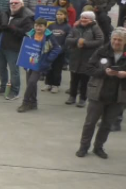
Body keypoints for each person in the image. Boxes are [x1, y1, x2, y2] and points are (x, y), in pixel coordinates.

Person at [76, 27, 126, 157]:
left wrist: (124, 74)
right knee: (90, 123)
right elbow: (89, 68)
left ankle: (98, 147)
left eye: (120, 40)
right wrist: (104, 72)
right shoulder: (102, 51)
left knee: (107, 124)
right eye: (114, 39)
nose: (116, 42)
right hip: (98, 93)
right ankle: (83, 147)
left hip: (118, 96)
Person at [17, 17, 63, 113]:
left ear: (45, 27)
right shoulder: (30, 34)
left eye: (41, 26)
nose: (38, 28)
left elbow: (57, 49)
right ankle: (33, 103)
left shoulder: (49, 36)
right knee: (30, 83)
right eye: (36, 26)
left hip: (40, 63)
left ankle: (25, 103)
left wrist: (49, 59)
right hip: (29, 62)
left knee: (31, 82)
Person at [0, 0, 34, 100]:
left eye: (16, 3)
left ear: (22, 4)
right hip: (1, 46)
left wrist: (12, 28)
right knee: (1, 68)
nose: (13, 5)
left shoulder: (26, 17)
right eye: (11, 3)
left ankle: (15, 91)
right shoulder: (5, 14)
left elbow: (27, 32)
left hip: (14, 47)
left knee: (13, 71)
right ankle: (3, 87)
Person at [65, 10, 104, 107]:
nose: (83, 19)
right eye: (82, 17)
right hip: (75, 57)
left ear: (91, 19)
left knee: (84, 80)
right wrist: (78, 40)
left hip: (88, 58)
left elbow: (100, 41)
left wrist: (85, 43)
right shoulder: (76, 27)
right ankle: (72, 96)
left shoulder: (95, 28)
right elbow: (68, 39)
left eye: (86, 18)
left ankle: (83, 98)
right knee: (74, 79)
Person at [44, 8, 71, 93]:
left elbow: (68, 39)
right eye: (58, 14)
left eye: (61, 14)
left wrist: (63, 48)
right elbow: (46, 36)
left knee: (57, 69)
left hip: (60, 52)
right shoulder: (51, 25)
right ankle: (48, 83)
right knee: (49, 68)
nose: (59, 16)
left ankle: (56, 85)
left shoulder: (67, 27)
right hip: (50, 50)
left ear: (65, 16)